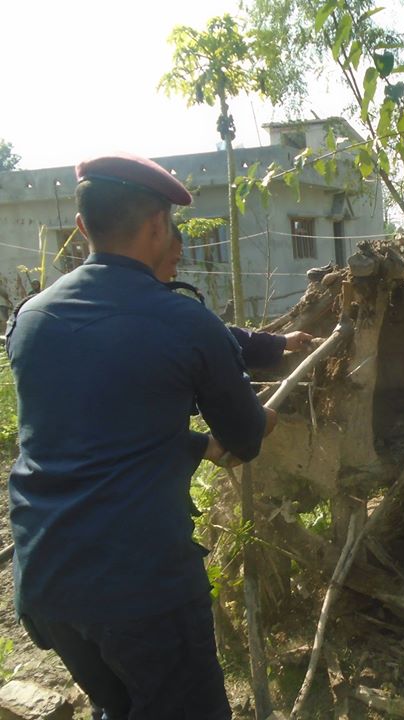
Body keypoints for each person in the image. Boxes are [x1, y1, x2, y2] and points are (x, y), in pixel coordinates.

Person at [6, 153, 277, 719]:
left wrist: (196, 443)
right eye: (172, 226)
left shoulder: (31, 318)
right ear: (159, 224)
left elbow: (100, 431)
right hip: (140, 590)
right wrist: (262, 419)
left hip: (49, 583)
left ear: (83, 229)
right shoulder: (184, 321)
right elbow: (246, 439)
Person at [162, 226, 314, 370]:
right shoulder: (173, 315)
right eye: (173, 262)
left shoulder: (169, 310)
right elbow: (220, 340)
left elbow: (227, 338)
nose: (175, 273)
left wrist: (282, 342)